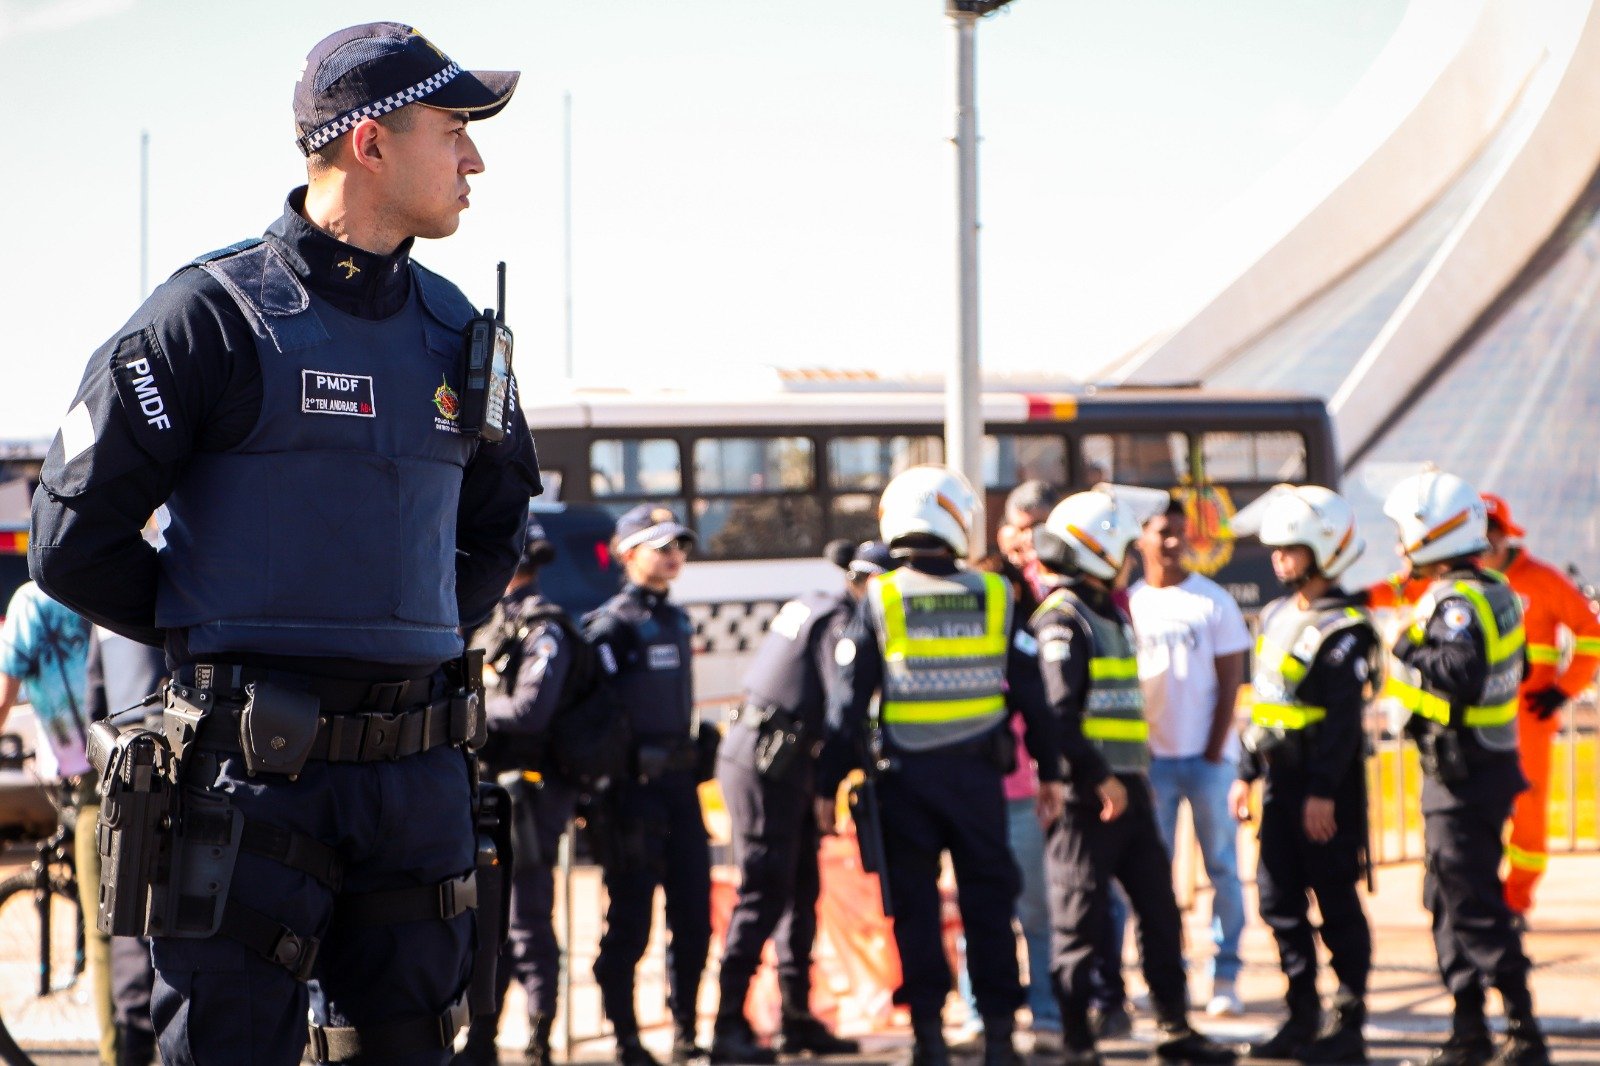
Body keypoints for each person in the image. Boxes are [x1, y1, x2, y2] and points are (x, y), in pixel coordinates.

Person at [30, 22, 537, 1065]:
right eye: (456, 130)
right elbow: (73, 539)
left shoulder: (464, 337)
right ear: (370, 145)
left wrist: (408, 633)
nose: (475, 159)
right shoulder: (204, 317)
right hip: (241, 782)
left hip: (417, 782)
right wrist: (216, 634)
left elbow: (495, 529)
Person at [815, 465, 1064, 1066]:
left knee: (918, 912)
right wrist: (1052, 772)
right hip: (980, 782)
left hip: (906, 784)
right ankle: (1000, 1038)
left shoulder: (880, 597)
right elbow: (1036, 694)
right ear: (958, 519)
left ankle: (930, 1039)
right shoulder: (999, 594)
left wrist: (826, 786)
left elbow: (848, 704)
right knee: (988, 906)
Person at [1027, 488, 1237, 1066]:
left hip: (1129, 788)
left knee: (1160, 912)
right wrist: (1099, 779)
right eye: (1119, 546)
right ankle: (1076, 1042)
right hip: (1090, 797)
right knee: (1079, 919)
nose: (1126, 557)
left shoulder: (1108, 610)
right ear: (1095, 550)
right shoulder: (1062, 619)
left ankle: (1174, 1028)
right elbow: (1058, 714)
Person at [1383, 469, 1548, 1066]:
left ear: (1430, 533)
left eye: (1404, 531)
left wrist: (1404, 643)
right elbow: (1521, 668)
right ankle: (1469, 1028)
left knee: (1473, 903)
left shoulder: (1456, 602)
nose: (1399, 543)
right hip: (1479, 765)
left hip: (1464, 772)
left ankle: (1523, 1030)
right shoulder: (1497, 589)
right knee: (1447, 898)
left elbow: (1457, 671)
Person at [707, 542, 892, 1063]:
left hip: (781, 757)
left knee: (801, 888)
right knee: (765, 889)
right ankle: (727, 1025)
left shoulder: (819, 601)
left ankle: (795, 1018)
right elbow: (843, 709)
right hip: (770, 760)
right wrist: (837, 779)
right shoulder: (841, 620)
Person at [1229, 486, 1375, 1064]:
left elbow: (1342, 725)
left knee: (1335, 900)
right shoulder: (1273, 614)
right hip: (1279, 786)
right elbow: (1263, 704)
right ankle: (1301, 1015)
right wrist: (1245, 773)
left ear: (1323, 550)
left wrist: (1321, 793)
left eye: (1289, 548)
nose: (1277, 559)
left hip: (1327, 791)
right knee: (1278, 900)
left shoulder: (1346, 628)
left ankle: (1349, 1024)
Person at [585, 505, 711, 1066]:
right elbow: (593, 718)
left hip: (681, 789)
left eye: (678, 545)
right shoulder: (612, 624)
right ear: (627, 553)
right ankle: (626, 1038)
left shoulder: (678, 618)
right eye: (660, 546)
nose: (673, 555)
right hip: (631, 796)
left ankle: (685, 1032)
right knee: (632, 920)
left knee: (695, 917)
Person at [456, 523, 580, 1066]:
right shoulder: (489, 622)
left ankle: (538, 1041)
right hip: (487, 787)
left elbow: (531, 711)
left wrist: (464, 711)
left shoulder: (540, 626)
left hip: (527, 794)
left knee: (526, 921)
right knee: (488, 922)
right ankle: (484, 1042)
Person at [1128, 499, 1250, 1016]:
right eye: (1163, 532)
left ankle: (1224, 976)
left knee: (1221, 867)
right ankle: (1164, 972)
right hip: (1150, 765)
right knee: (1151, 875)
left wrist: (1211, 749)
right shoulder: (1128, 603)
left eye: (1181, 532)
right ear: (1141, 540)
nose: (1174, 542)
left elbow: (1230, 683)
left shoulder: (1213, 601)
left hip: (1208, 762)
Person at [1478, 494, 1600, 920]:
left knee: (1528, 813)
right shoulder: (1461, 582)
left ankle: (1515, 901)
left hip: (1529, 719)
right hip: (1477, 720)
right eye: (1477, 531)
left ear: (1506, 533)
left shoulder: (1543, 580)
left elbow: (1590, 633)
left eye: (1492, 530)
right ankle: (1474, 895)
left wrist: (1565, 689)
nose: (1486, 540)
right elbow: (1403, 588)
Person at [0, 583, 95, 1051]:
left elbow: (3, 695)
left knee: (102, 895)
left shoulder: (30, 603)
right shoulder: (102, 583)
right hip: (122, 753)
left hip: (74, 767)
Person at [85, 623, 168, 1066]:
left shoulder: (105, 609)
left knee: (129, 906)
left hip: (127, 775)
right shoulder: (190, 583)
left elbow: (93, 708)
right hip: (192, 765)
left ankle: (133, 1041)